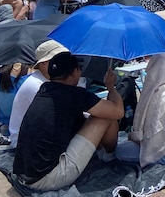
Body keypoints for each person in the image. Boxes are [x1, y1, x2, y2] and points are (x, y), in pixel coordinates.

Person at [13, 52, 124, 191]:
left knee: (89, 119)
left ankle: (103, 154)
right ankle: (109, 158)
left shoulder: (44, 90)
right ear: (74, 73)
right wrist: (111, 87)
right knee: (106, 117)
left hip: (24, 174)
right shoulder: (73, 94)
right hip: (47, 179)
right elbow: (118, 111)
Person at [115, 50, 165, 166]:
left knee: (119, 151)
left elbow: (140, 126)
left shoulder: (156, 93)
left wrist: (134, 135)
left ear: (154, 71)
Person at [9, 40, 68, 149]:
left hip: (36, 137)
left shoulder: (46, 80)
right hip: (26, 143)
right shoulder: (36, 85)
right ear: (44, 63)